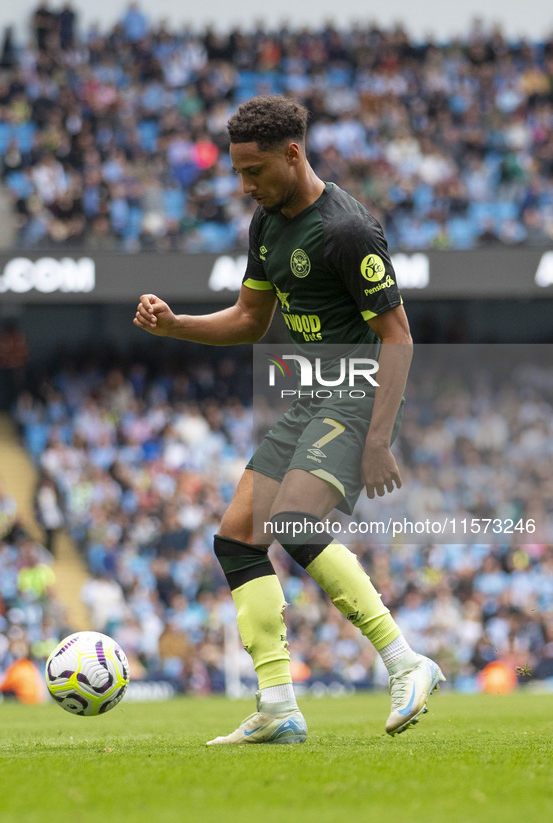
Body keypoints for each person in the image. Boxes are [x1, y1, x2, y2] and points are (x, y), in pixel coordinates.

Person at [134, 95, 445, 744]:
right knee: (236, 541)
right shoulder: (266, 224)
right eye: (237, 172)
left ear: (292, 153)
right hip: (310, 395)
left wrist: (378, 438)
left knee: (294, 524)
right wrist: (175, 325)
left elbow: (398, 337)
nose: (244, 185)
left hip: (357, 393)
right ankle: (277, 705)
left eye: (254, 171)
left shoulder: (346, 230)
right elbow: (250, 320)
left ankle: (406, 661)